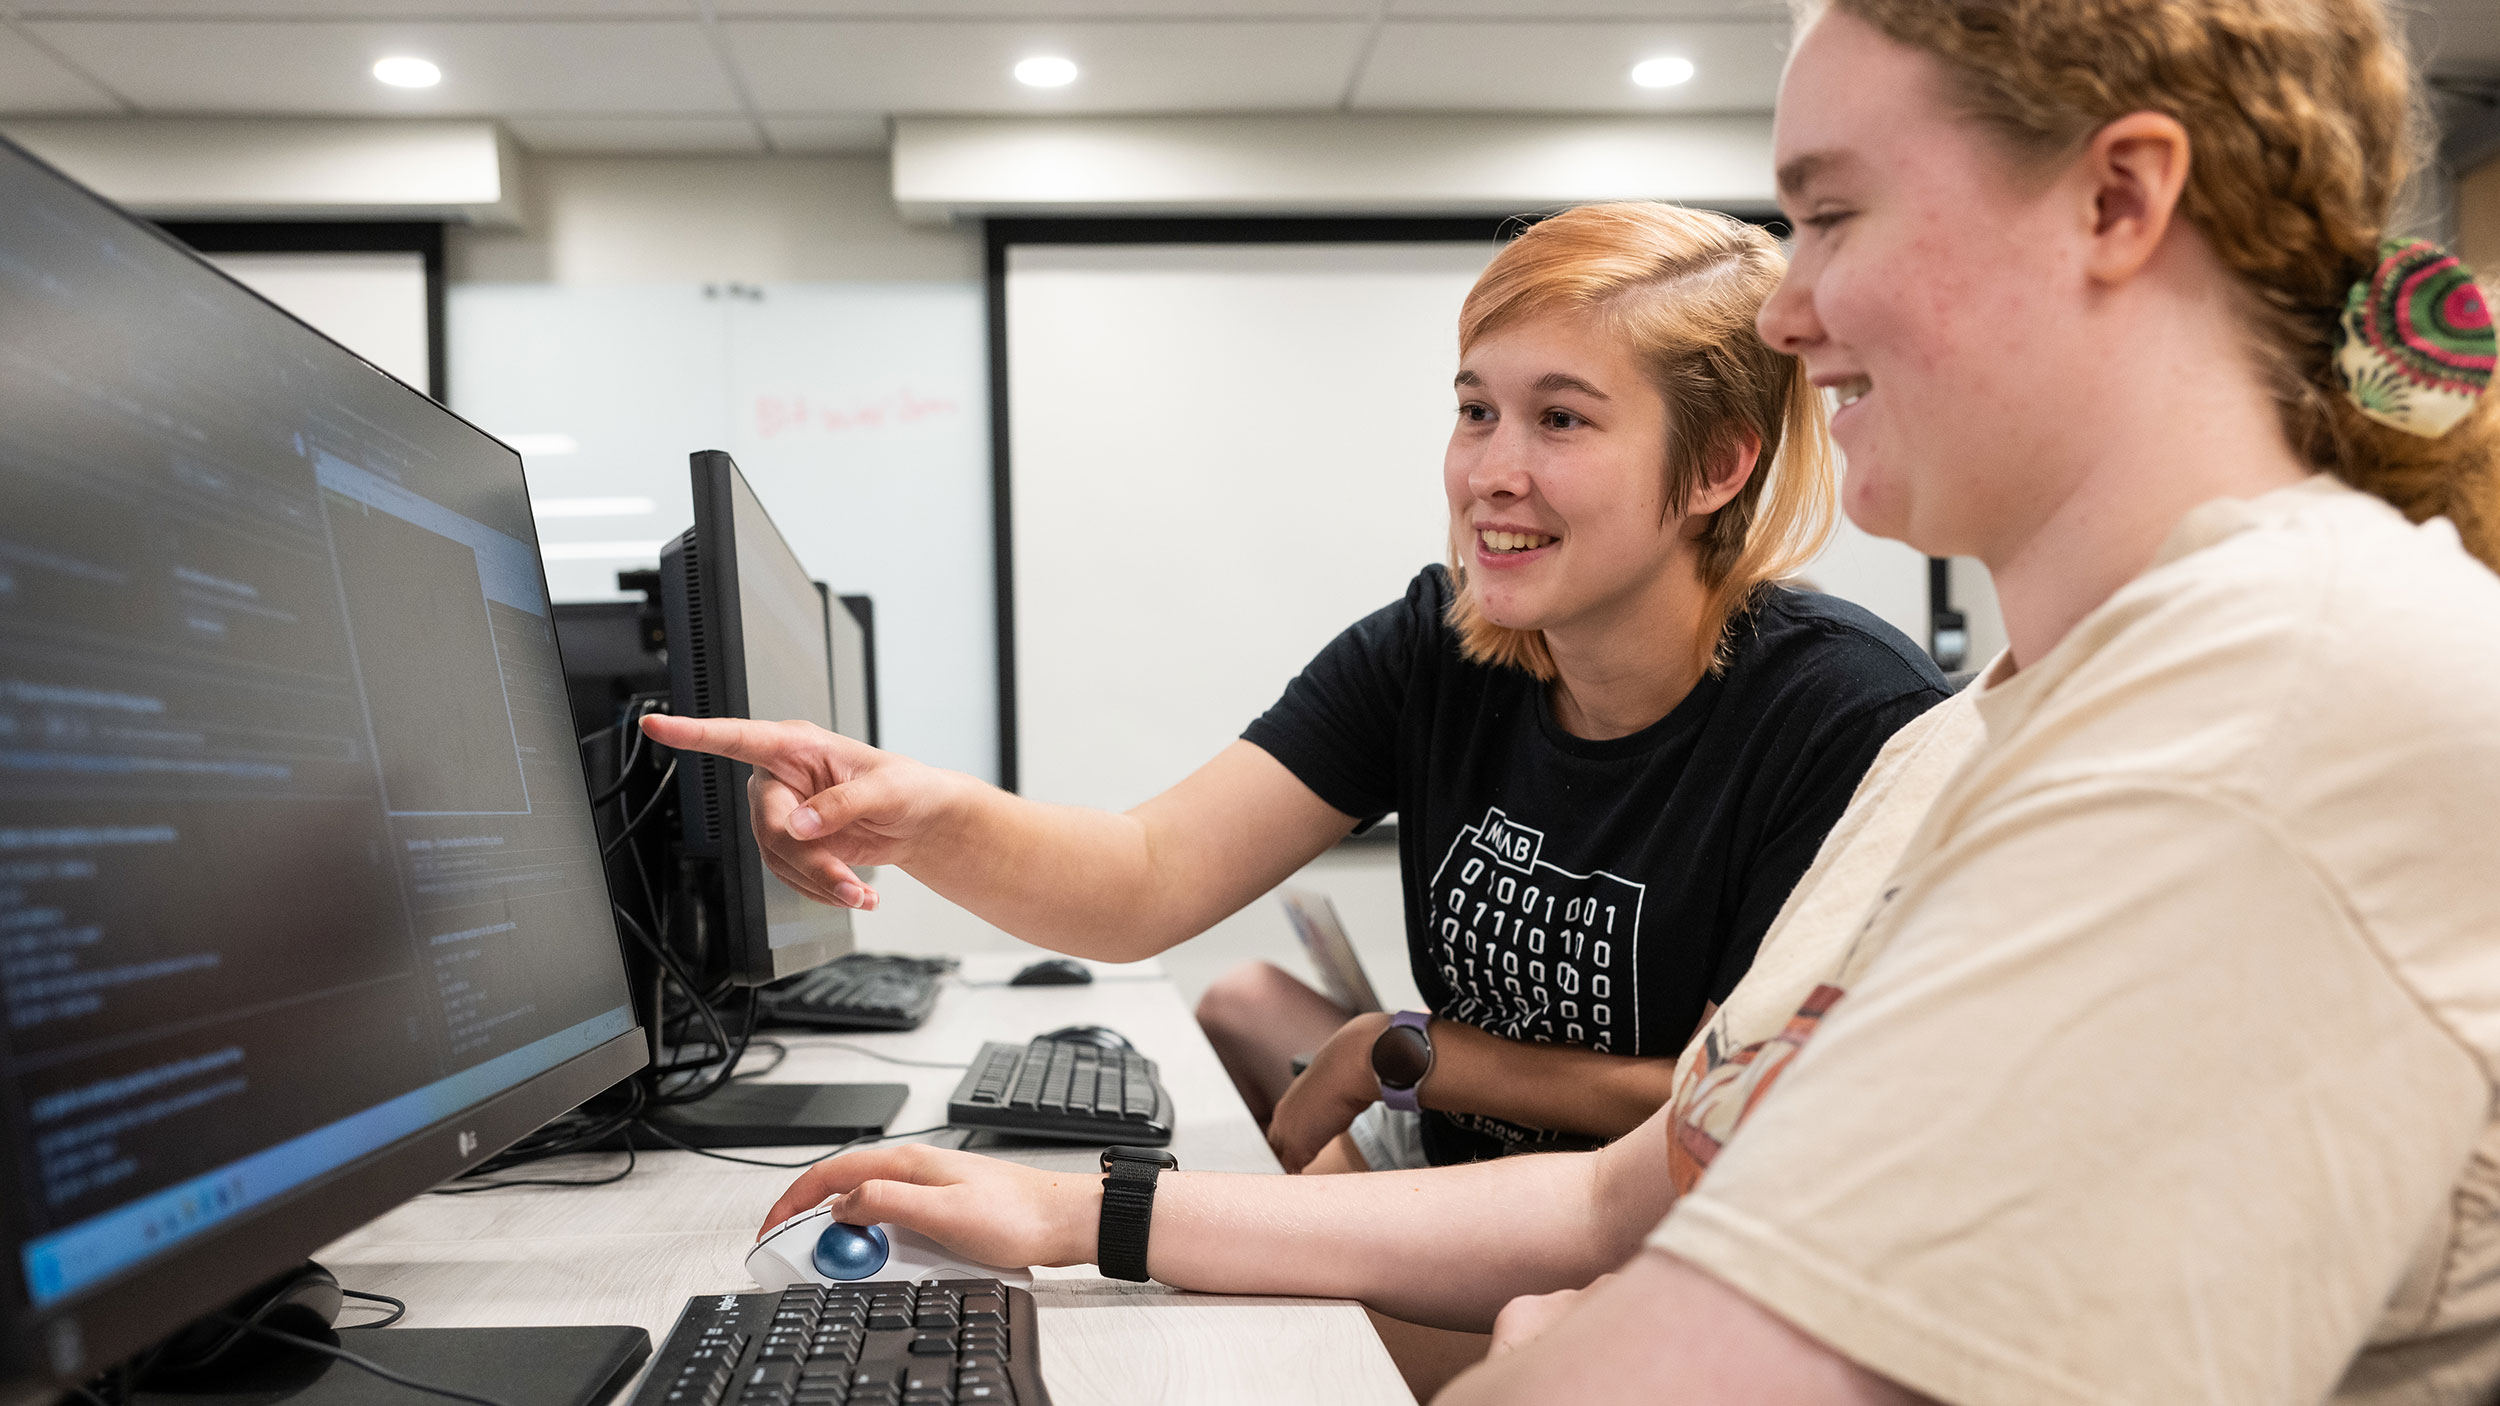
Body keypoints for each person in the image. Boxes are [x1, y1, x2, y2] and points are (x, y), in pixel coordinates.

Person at [723, 0, 2500, 1401]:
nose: (1792, 307)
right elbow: (1618, 1192)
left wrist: (1554, 1342)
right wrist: (1085, 1213)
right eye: (1477, 407)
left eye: (1831, 214)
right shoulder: (1991, 732)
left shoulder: (2261, 713)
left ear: (2118, 199)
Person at [647, 204, 1949, 1185]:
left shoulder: (1840, 718)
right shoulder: (1436, 645)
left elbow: (1718, 1115)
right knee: (1223, 1043)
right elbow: (1147, 871)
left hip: (1638, 1253)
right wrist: (919, 813)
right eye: (1474, 410)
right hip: (1455, 1192)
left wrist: (1422, 1050)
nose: (1491, 470)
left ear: (1719, 463)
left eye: (1561, 420)